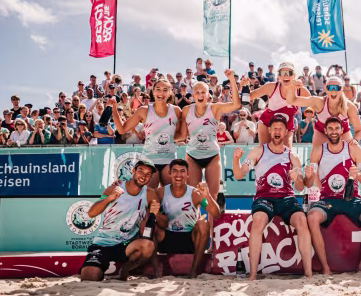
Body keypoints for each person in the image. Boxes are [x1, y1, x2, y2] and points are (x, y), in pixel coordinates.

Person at [232, 114, 312, 279]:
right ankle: (253, 274)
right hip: (264, 198)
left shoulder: (292, 156)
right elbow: (239, 174)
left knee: (302, 220)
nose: (277, 131)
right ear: (269, 130)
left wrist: (297, 178)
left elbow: (300, 187)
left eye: (280, 129)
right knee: (258, 220)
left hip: (286, 198)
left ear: (285, 132)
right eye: (274, 128)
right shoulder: (258, 151)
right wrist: (236, 160)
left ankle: (308, 273)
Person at [304, 117, 361, 274]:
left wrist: (357, 175)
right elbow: (309, 182)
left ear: (342, 131)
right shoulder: (318, 150)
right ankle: (325, 267)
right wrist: (309, 176)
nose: (334, 132)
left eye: (337, 128)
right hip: (328, 200)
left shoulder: (353, 148)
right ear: (325, 131)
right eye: (330, 129)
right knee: (312, 218)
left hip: (352, 199)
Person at [80, 158, 158, 281]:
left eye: (148, 174)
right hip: (103, 243)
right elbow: (91, 213)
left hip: (126, 245)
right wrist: (108, 199)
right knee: (89, 277)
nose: (144, 176)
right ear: (133, 171)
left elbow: (160, 221)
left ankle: (125, 270)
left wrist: (155, 213)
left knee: (147, 246)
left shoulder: (150, 193)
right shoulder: (115, 187)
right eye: (141, 171)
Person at [175, 70, 244, 200]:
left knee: (212, 197)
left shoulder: (214, 108)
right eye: (197, 92)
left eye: (203, 92)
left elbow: (236, 104)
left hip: (212, 156)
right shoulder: (186, 110)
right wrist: (163, 136)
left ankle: (212, 213)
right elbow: (182, 135)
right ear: (193, 95)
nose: (200, 95)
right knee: (194, 197)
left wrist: (231, 79)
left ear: (208, 95)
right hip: (192, 156)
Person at [110, 79, 180, 188]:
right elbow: (122, 130)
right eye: (158, 89)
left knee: (169, 196)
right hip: (149, 161)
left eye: (165, 90)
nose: (161, 93)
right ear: (153, 91)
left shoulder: (176, 111)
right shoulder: (144, 110)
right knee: (150, 196)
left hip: (169, 160)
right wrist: (114, 108)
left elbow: (179, 135)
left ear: (170, 93)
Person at [154, 159, 218, 278]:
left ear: (188, 174)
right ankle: (157, 269)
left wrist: (207, 195)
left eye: (182, 171)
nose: (178, 175)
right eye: (175, 171)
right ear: (169, 173)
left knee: (203, 224)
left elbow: (216, 214)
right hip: (167, 239)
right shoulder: (160, 192)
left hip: (190, 240)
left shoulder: (195, 193)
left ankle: (194, 270)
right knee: (151, 224)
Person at [286, 77, 361, 148]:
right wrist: (292, 88)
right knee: (317, 153)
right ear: (326, 89)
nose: (333, 90)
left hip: (342, 133)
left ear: (341, 89)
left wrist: (355, 140)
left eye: (337, 88)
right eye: (330, 87)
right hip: (322, 131)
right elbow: (291, 101)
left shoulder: (350, 107)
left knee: (352, 150)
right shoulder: (319, 102)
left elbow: (359, 130)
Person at [252, 63, 309, 147]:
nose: (286, 75)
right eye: (282, 73)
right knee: (264, 151)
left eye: (289, 73)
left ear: (294, 76)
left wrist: (300, 87)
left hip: (287, 122)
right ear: (278, 76)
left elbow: (314, 104)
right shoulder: (271, 87)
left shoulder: (301, 91)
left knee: (287, 153)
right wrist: (243, 86)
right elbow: (249, 96)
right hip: (268, 121)